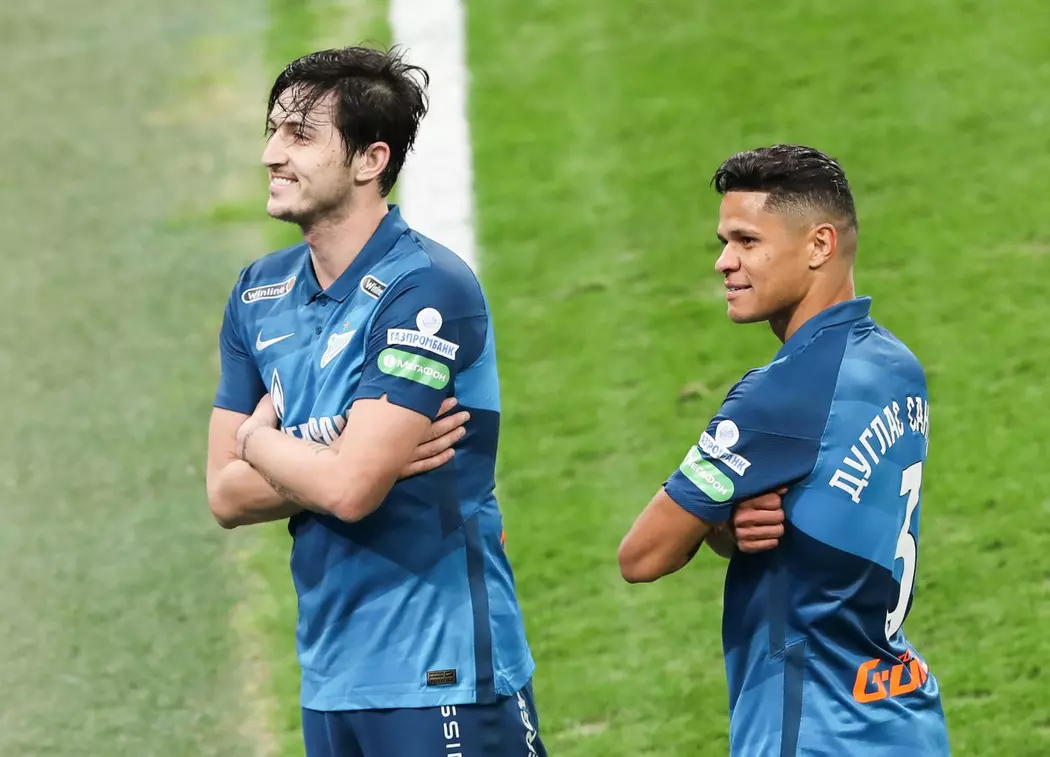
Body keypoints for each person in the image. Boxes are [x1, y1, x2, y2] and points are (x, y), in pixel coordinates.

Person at [205, 46, 544, 757]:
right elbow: (225, 495)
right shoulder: (258, 294)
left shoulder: (425, 288)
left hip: (443, 671)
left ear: (370, 159)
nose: (271, 154)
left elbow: (351, 490)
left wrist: (260, 442)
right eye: (273, 130)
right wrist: (330, 460)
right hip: (331, 681)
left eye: (300, 135)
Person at [618, 144, 950, 756]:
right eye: (724, 242)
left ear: (819, 245)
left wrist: (717, 515)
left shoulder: (779, 396)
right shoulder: (894, 364)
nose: (724, 262)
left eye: (747, 241)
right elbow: (823, 505)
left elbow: (642, 556)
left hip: (811, 728)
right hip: (901, 715)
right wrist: (730, 525)